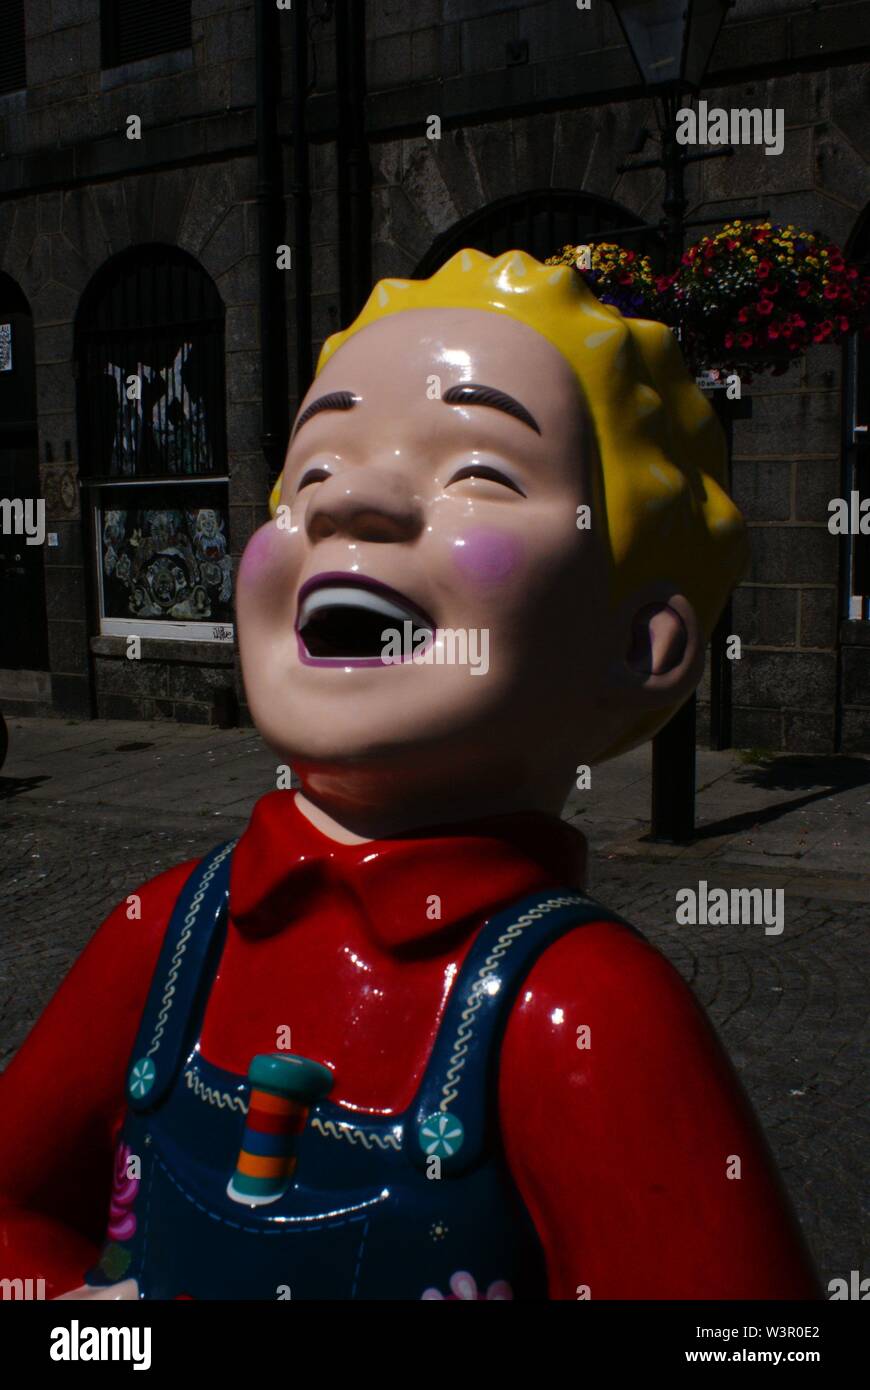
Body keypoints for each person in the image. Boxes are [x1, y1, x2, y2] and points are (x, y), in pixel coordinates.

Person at [0, 249, 818, 1300]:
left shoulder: (583, 1011)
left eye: (478, 470)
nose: (359, 501)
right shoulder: (165, 937)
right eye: (315, 472)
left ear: (642, 641)